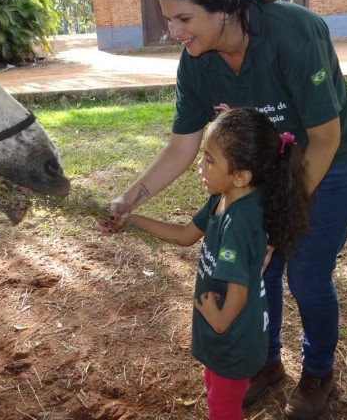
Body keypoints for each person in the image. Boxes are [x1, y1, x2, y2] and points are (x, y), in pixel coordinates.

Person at [96, 0, 347, 419]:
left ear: (223, 6)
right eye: (168, 20)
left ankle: (318, 372)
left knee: (306, 276)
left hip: (328, 162)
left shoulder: (292, 33)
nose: (174, 32)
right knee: (259, 271)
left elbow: (325, 138)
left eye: (184, 18)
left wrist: (276, 220)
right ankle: (265, 362)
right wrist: (127, 200)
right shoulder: (196, 61)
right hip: (259, 170)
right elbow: (181, 147)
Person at [118, 108, 309, 419]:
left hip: (232, 336)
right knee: (215, 392)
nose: (200, 165)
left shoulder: (239, 225)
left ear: (240, 176)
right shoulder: (223, 199)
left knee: (223, 409)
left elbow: (239, 289)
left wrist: (218, 320)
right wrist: (133, 220)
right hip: (227, 332)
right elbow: (184, 236)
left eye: (209, 159)